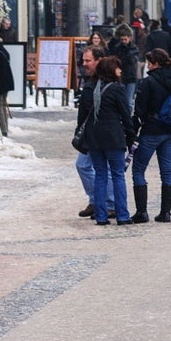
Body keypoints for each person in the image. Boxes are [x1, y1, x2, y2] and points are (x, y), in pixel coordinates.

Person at [131, 48, 171, 222]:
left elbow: (139, 110)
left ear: (155, 63)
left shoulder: (148, 83)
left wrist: (133, 131)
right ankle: (165, 212)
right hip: (170, 131)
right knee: (167, 171)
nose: (147, 66)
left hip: (151, 131)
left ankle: (142, 212)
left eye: (149, 62)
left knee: (138, 169)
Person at [86, 56, 134, 225]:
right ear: (112, 70)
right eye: (118, 68)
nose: (121, 71)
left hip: (95, 137)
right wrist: (131, 137)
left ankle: (101, 216)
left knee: (100, 175)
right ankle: (122, 215)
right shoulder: (117, 89)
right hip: (113, 137)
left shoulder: (92, 88)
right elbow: (125, 114)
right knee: (118, 175)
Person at [73, 45, 100, 219]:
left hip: (99, 132)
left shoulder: (102, 80)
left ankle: (105, 202)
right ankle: (96, 200)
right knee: (83, 165)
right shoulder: (89, 80)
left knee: (101, 168)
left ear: (98, 61)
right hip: (89, 131)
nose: (84, 64)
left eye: (88, 60)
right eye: (83, 60)